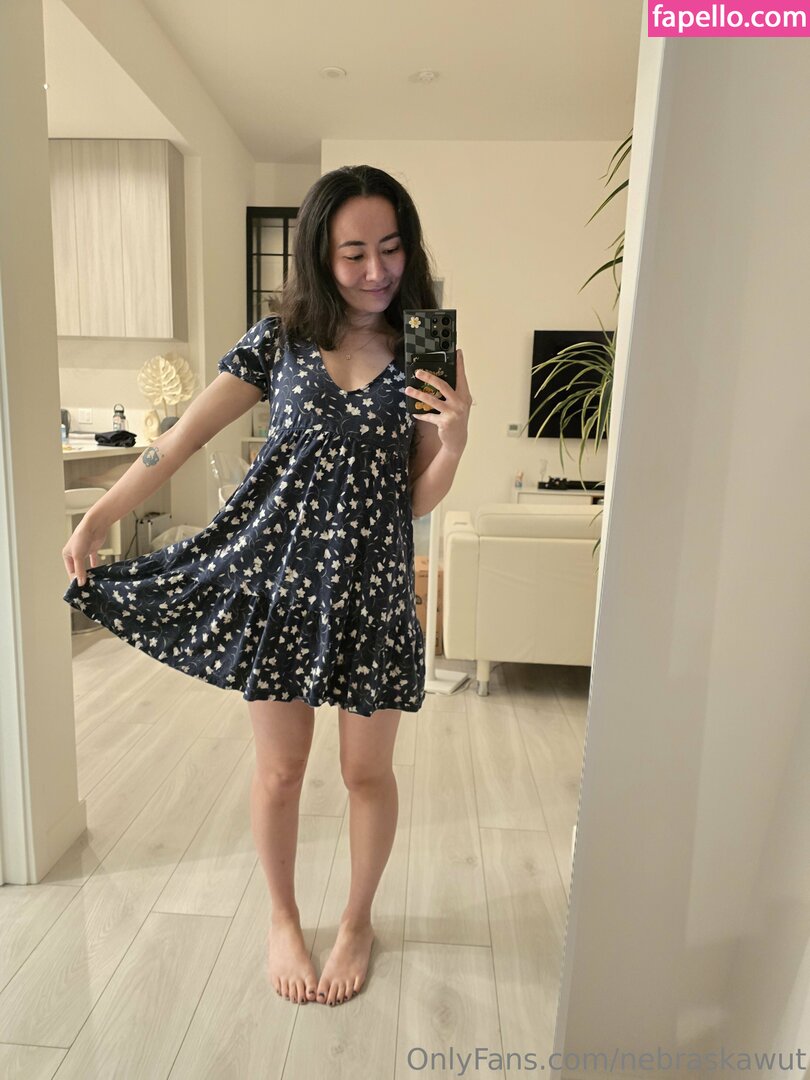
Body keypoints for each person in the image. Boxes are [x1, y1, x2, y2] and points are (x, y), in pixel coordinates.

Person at [62, 164, 472, 1007]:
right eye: (353, 252)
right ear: (320, 255)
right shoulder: (278, 340)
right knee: (281, 772)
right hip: (277, 583)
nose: (376, 270)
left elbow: (413, 500)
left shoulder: (427, 347)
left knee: (366, 774)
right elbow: (179, 439)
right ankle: (282, 917)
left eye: (391, 247)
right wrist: (100, 513)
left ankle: (356, 921)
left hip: (371, 591)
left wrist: (456, 442)